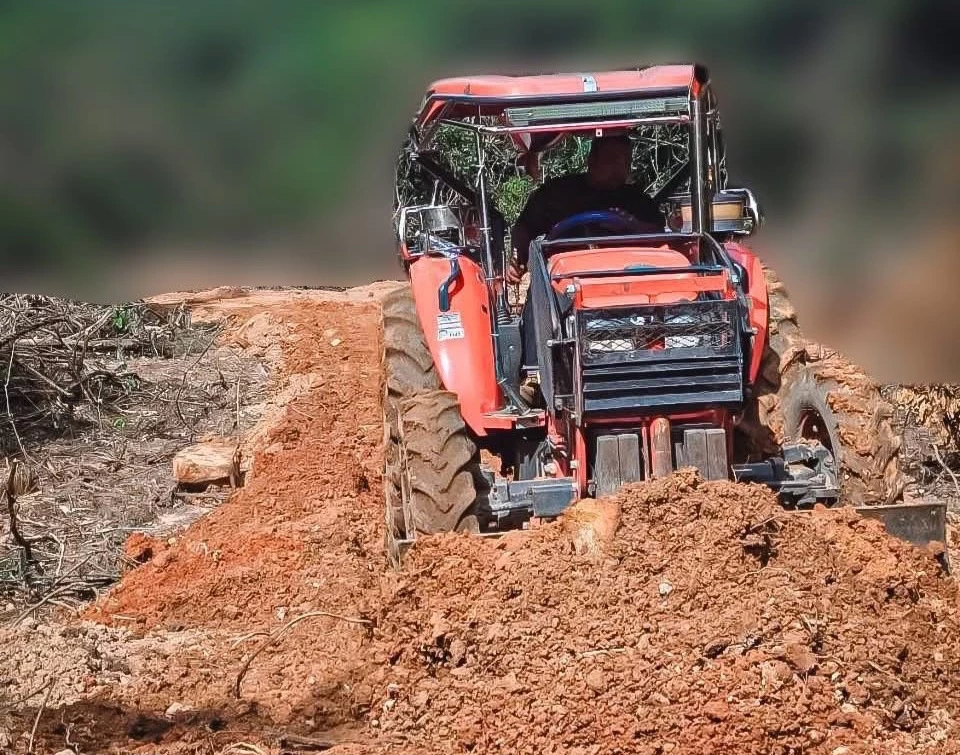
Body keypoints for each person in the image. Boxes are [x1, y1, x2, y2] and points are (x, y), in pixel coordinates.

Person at [506, 134, 665, 284]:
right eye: (612, 160)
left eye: (625, 161)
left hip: (625, 274)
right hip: (567, 276)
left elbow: (658, 234)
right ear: (592, 160)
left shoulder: (637, 200)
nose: (619, 168)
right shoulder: (558, 193)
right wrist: (518, 259)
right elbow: (525, 227)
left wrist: (633, 225)